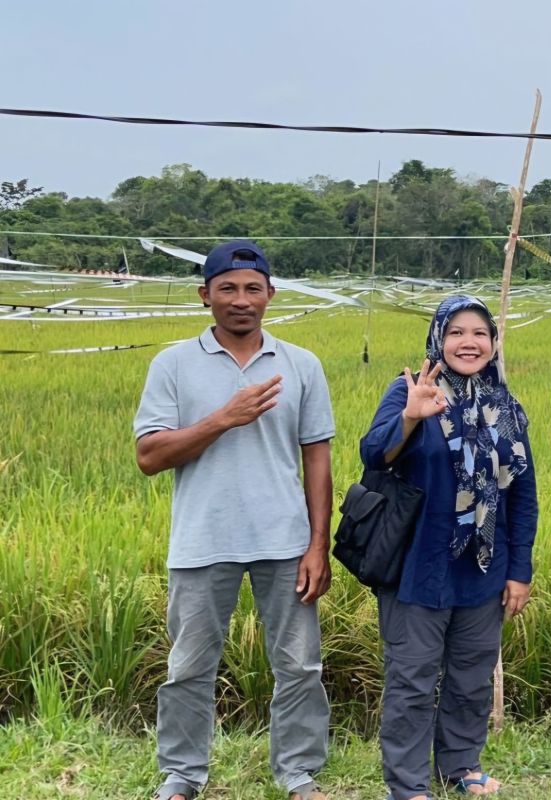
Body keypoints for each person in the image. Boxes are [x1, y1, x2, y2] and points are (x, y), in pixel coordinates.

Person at [134, 240, 334, 800]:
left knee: (299, 666)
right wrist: (223, 418)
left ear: (270, 294)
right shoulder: (172, 364)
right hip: (202, 541)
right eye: (227, 288)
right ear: (206, 296)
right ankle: (182, 775)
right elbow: (149, 457)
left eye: (252, 288)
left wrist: (318, 545)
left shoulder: (302, 364)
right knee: (189, 667)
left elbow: (317, 459)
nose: (240, 299)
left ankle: (298, 775)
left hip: (285, 541)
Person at [360, 295, 538, 800]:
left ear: (493, 343)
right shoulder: (409, 390)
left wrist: (519, 569)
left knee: (471, 676)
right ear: (439, 337)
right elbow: (374, 454)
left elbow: (522, 495)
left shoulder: (506, 406)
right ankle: (409, 782)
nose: (469, 342)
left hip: (482, 565)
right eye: (456, 331)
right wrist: (412, 418)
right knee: (412, 680)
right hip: (418, 563)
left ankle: (459, 766)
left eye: (480, 333)